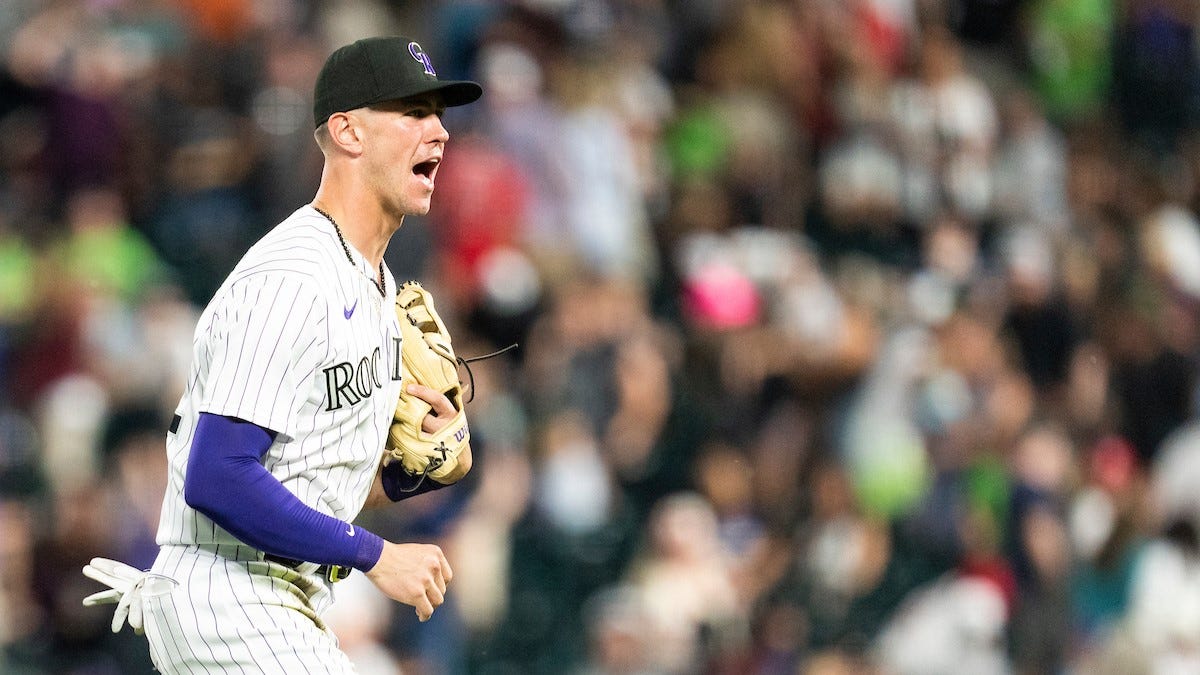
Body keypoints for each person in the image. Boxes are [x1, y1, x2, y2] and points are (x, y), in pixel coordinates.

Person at [84, 36, 483, 673]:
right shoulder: (293, 278)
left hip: (274, 602)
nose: (439, 133)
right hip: (227, 599)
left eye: (440, 115)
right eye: (414, 113)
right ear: (348, 132)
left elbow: (309, 485)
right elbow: (220, 477)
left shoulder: (376, 288)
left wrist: (416, 472)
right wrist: (377, 555)